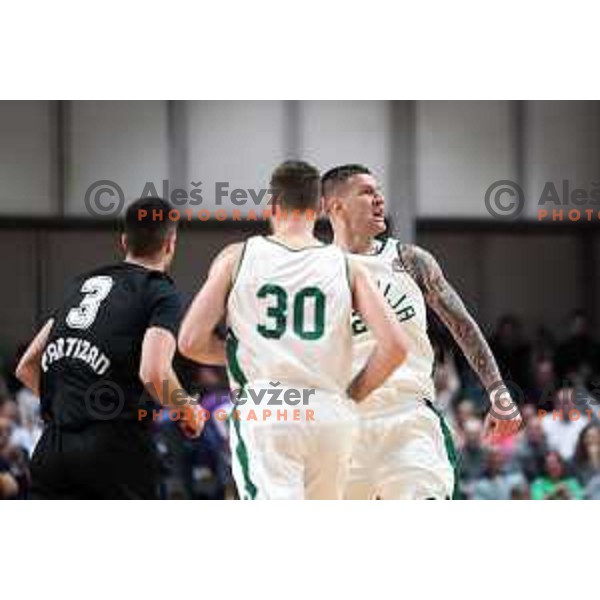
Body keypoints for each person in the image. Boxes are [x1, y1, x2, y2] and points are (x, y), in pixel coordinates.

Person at [178, 160, 409, 499]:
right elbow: (395, 347)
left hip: (270, 402)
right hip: (330, 408)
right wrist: (350, 396)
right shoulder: (348, 266)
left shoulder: (237, 257)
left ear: (272, 205)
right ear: (318, 208)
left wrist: (248, 351)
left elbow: (190, 340)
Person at [322, 163, 523, 499]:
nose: (379, 200)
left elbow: (462, 324)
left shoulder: (410, 260)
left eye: (379, 192)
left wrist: (498, 392)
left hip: (409, 419)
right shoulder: (309, 272)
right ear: (335, 205)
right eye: (367, 192)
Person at [16, 197, 202, 500]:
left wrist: (72, 404)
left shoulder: (81, 285)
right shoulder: (159, 290)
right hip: (114, 449)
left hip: (52, 447)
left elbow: (26, 366)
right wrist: (187, 409)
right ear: (170, 244)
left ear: (124, 240)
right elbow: (154, 372)